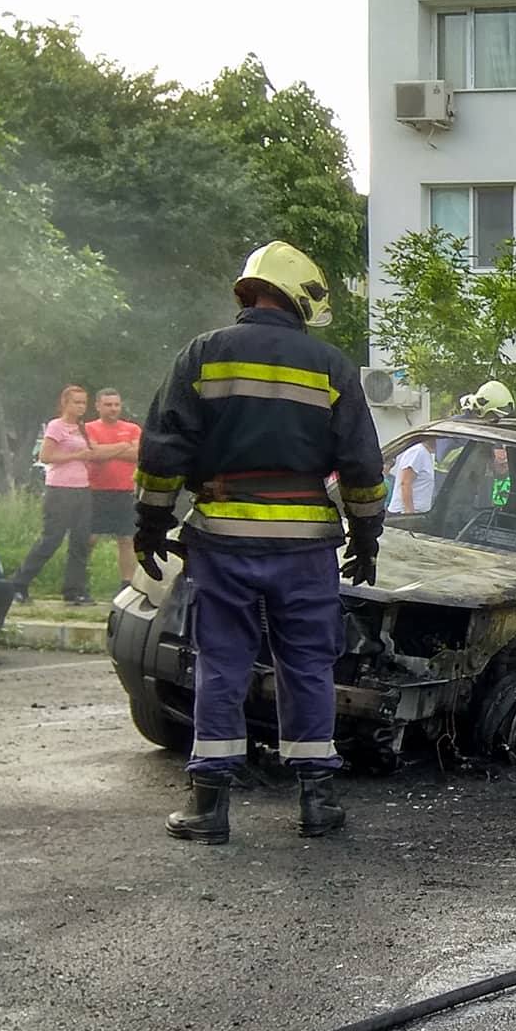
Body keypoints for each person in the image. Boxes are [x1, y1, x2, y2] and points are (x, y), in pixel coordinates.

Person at [132, 242, 387, 845]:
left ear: (250, 290)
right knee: (308, 667)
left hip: (224, 540)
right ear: (301, 298)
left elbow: (164, 450)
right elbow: (361, 466)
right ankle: (317, 804)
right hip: (305, 547)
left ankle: (210, 807)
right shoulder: (332, 366)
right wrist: (367, 535)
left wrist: (150, 522)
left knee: (221, 663)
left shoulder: (204, 354)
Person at [11, 385, 99, 605]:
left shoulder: (83, 428)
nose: (80, 407)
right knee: (51, 538)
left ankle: (74, 590)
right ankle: (18, 583)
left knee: (80, 541)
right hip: (60, 488)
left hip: (82, 487)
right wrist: (77, 454)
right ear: (65, 403)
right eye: (76, 402)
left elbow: (94, 451)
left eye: (83, 403)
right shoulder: (56, 426)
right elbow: (46, 456)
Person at [84, 389, 143, 588]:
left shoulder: (133, 428)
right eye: (108, 405)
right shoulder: (88, 428)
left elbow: (138, 455)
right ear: (98, 406)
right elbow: (94, 454)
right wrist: (123, 446)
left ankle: (127, 584)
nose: (113, 409)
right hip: (95, 490)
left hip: (125, 490)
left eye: (116, 405)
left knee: (126, 539)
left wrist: (107, 449)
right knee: (89, 538)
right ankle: (79, 581)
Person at [388, 438, 439, 516]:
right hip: (404, 513)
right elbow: (405, 483)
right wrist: (409, 513)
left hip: (419, 513)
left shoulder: (426, 454)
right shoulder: (417, 451)